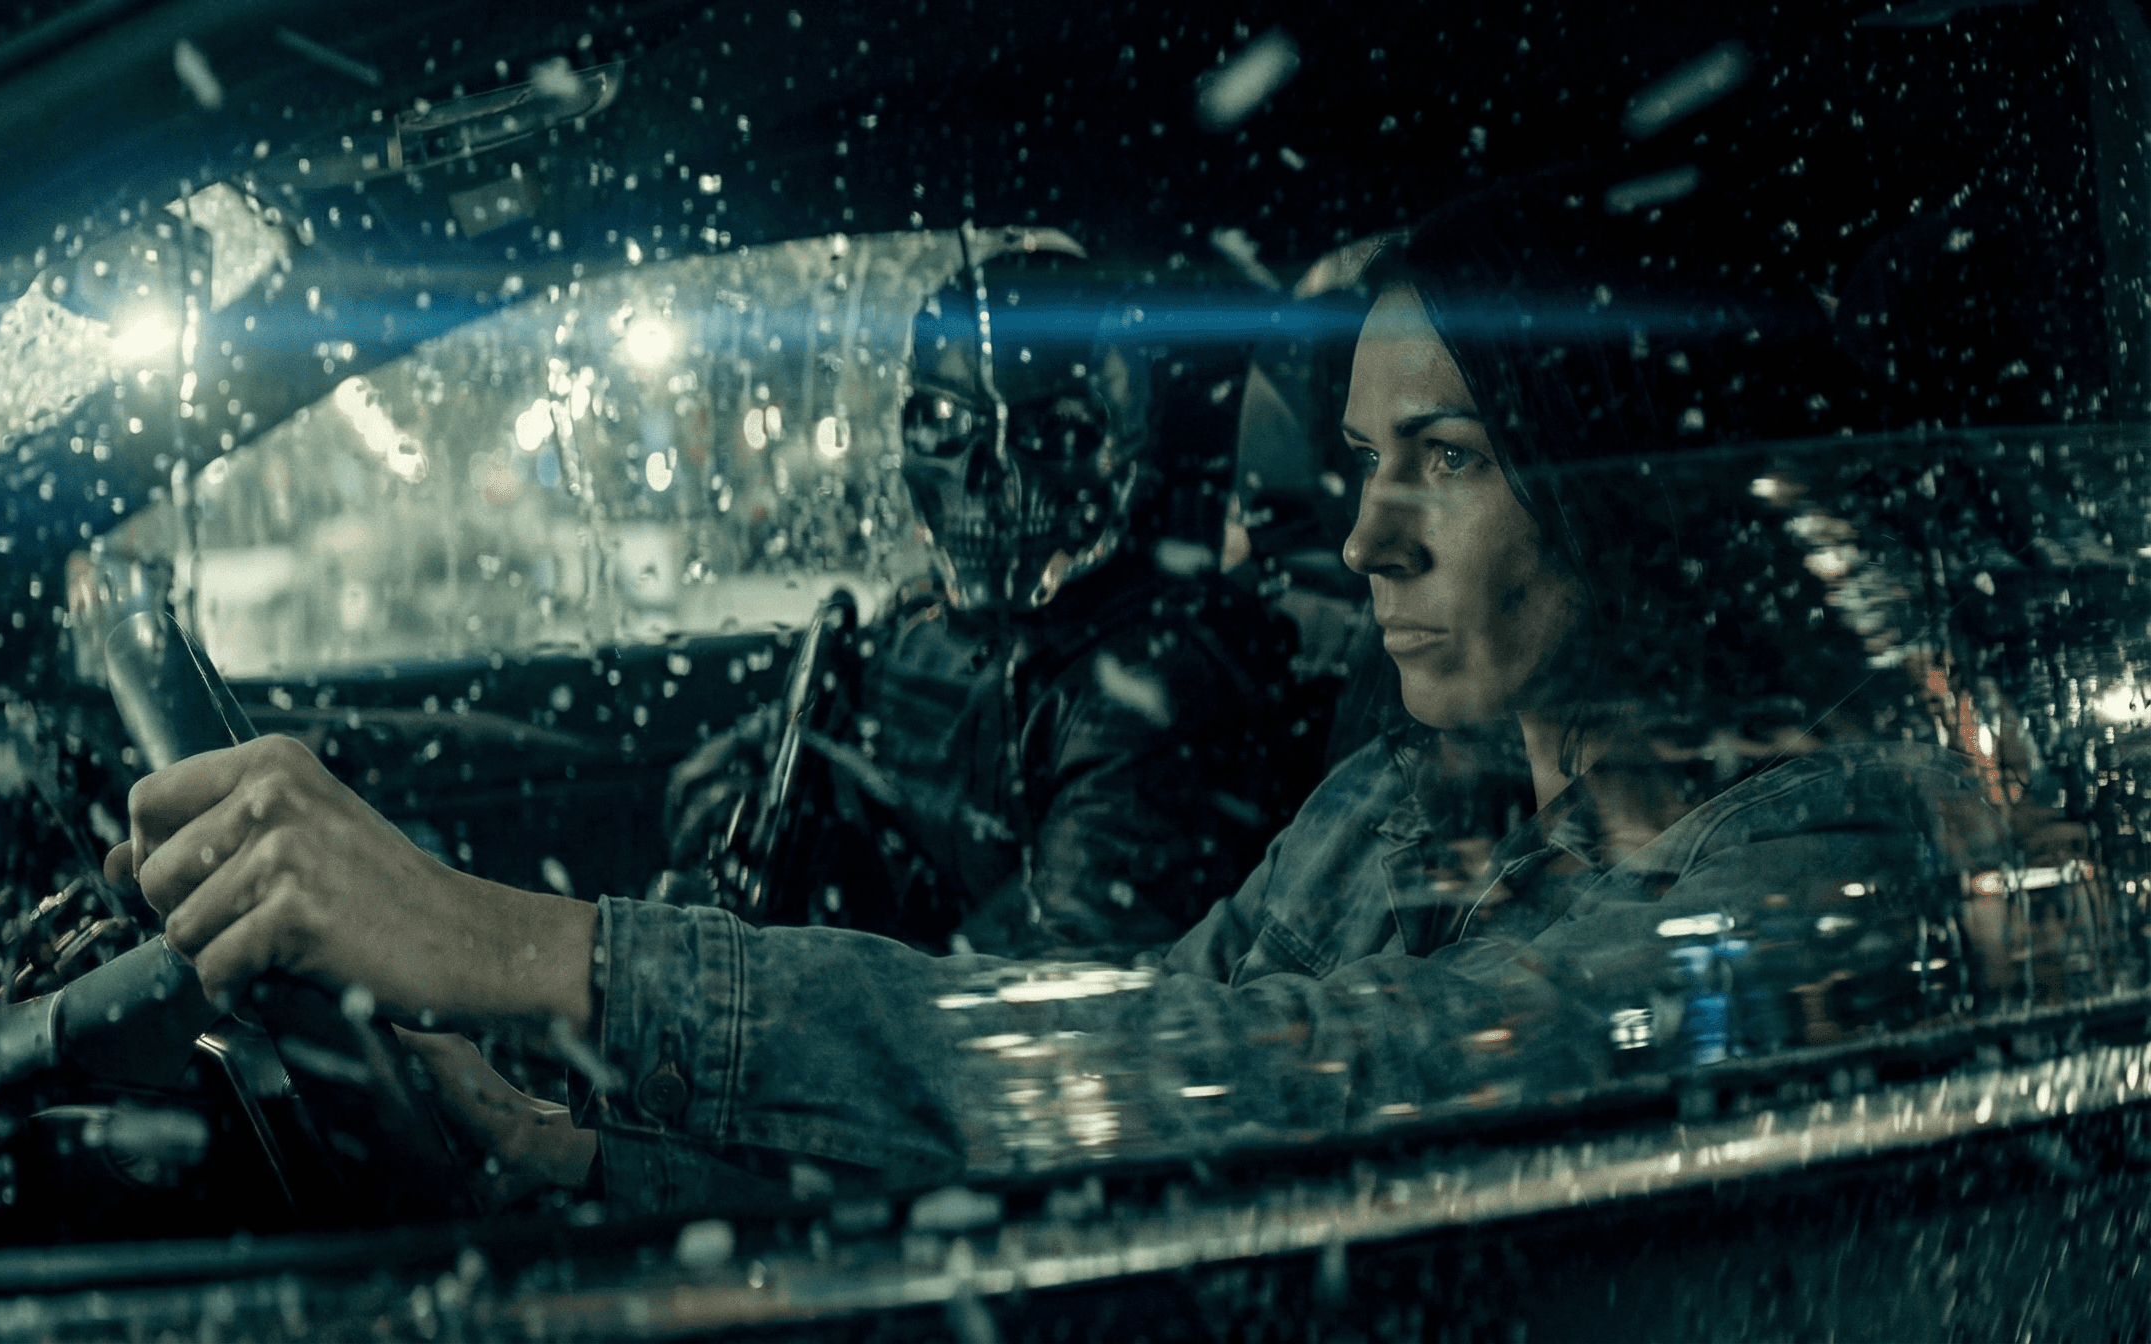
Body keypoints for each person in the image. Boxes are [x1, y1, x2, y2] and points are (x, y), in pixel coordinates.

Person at [99, 173, 2006, 1214]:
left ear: (1625, 483)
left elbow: (1289, 1078)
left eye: (1446, 459)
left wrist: (537, 950)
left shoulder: (1815, 872)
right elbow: (1095, 1046)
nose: (1364, 537)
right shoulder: (1404, 803)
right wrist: (587, 1148)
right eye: (1361, 463)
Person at [660, 244, 1334, 963]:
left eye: (1053, 432)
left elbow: (1044, 987)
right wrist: (743, 824)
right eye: (945, 422)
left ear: (1127, 449)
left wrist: (783, 973)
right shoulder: (918, 623)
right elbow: (737, 765)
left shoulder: (1142, 683)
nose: (987, 476)